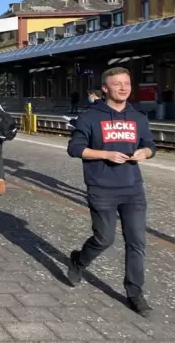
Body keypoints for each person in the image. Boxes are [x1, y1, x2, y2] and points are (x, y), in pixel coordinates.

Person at [66, 67, 155, 318]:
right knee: (104, 239)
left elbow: (149, 145)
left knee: (137, 243)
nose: (124, 88)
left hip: (133, 189)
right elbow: (75, 148)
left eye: (127, 83)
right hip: (102, 188)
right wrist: (105, 154)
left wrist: (144, 153)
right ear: (105, 88)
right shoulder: (90, 117)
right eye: (118, 84)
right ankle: (78, 261)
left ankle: (135, 293)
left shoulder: (138, 117)